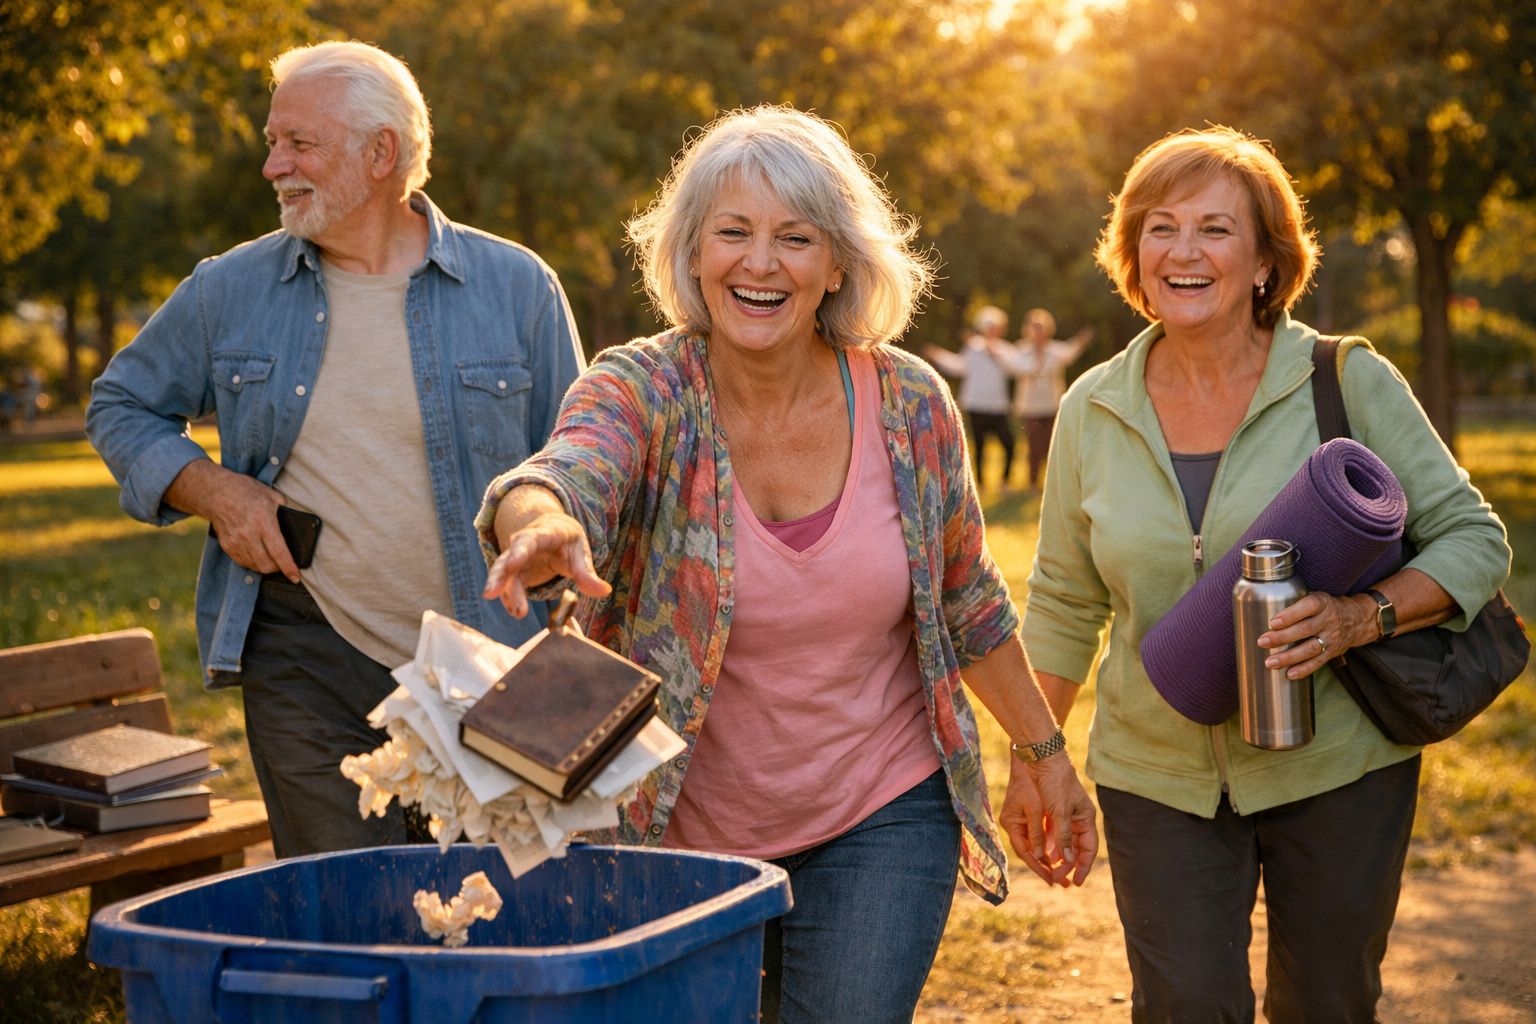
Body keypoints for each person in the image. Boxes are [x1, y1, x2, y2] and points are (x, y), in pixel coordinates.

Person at [477, 105, 1097, 1024]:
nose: (760, 263)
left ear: (838, 263)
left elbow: (969, 598)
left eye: (795, 238)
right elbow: (567, 468)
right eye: (733, 232)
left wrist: (1044, 754)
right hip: (674, 830)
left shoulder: (910, 404)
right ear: (693, 254)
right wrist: (542, 524)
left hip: (880, 808)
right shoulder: (642, 388)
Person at [1022, 126, 1511, 1022]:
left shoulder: (1345, 378)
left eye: (1214, 228)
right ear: (1133, 254)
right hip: (1155, 774)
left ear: (1263, 260)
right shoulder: (1091, 406)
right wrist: (1035, 756)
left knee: (1328, 1002)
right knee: (1183, 1005)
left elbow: (1474, 541)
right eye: (1160, 227)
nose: (1184, 251)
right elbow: (1062, 597)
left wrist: (1360, 617)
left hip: (1336, 767)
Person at [85, 41, 584, 858]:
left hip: (496, 656)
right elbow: (121, 403)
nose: (272, 165)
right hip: (306, 656)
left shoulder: (517, 286)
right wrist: (217, 491)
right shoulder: (228, 290)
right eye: (271, 141)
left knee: (505, 912)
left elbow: (574, 461)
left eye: (298, 143)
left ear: (381, 153)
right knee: (345, 917)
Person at [994, 308, 1092, 492]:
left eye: (1042, 328)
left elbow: (1071, 351)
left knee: (1052, 445)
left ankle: (1052, 483)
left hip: (1052, 405)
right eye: (1035, 328)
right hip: (1030, 407)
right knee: (1033, 446)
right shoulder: (1022, 351)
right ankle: (1032, 484)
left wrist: (1082, 340)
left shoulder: (1054, 350)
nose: (1038, 332)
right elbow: (1017, 367)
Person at [924, 306, 1016, 490]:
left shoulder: (1005, 349)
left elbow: (1015, 368)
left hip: (998, 406)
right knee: (979, 445)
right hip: (976, 404)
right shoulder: (973, 348)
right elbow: (959, 366)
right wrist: (938, 355)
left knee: (1009, 443)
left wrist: (993, 351)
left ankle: (1004, 481)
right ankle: (980, 483)